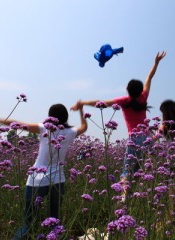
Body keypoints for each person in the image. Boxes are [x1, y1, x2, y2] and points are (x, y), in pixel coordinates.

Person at [0, 103, 87, 239]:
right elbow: (84, 127)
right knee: (55, 221)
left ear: (50, 117)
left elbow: (17, 124)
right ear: (66, 117)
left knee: (28, 222)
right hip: (58, 180)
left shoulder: (44, 128)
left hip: (37, 179)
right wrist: (81, 109)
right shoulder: (70, 132)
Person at [71, 51, 166, 200]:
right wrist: (156, 63)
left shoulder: (124, 100)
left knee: (126, 171)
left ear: (128, 89)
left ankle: (124, 199)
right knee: (142, 170)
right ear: (140, 90)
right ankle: (142, 198)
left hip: (134, 139)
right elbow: (149, 78)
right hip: (147, 139)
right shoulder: (143, 97)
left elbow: (101, 103)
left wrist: (83, 103)